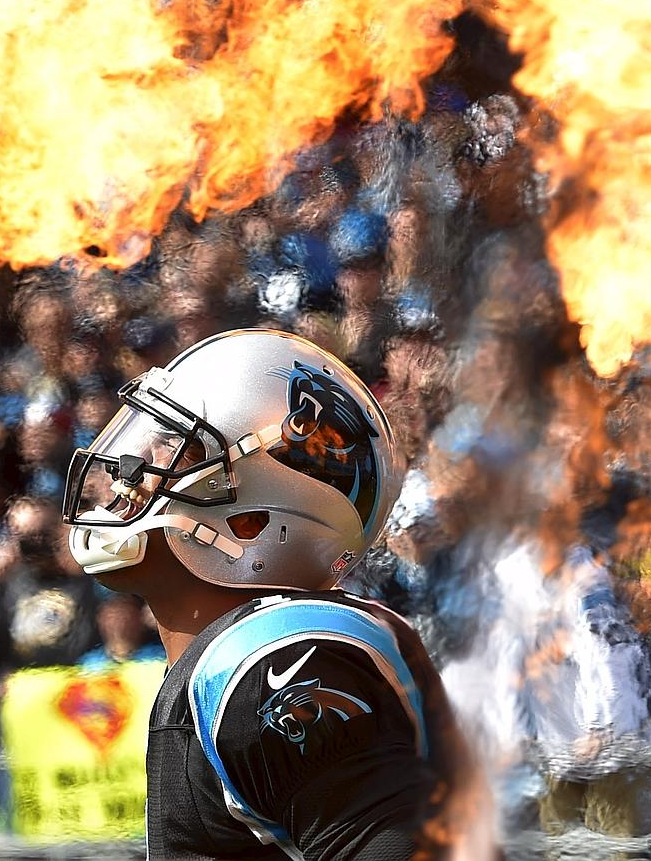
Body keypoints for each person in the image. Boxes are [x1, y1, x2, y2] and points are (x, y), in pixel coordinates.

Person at [62, 328, 483, 860]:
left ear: (253, 519)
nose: (130, 476)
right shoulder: (226, 657)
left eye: (176, 451)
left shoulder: (278, 659)